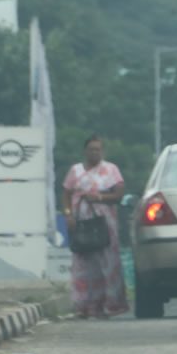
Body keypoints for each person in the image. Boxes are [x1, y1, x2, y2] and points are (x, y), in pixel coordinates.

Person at [62, 135, 128, 319]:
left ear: (103, 151)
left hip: (104, 225)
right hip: (81, 223)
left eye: (98, 149)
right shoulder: (75, 171)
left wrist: (98, 197)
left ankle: (109, 304)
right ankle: (84, 306)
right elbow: (66, 194)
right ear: (85, 151)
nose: (94, 152)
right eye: (91, 149)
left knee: (106, 264)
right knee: (84, 265)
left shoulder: (111, 170)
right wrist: (68, 214)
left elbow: (118, 195)